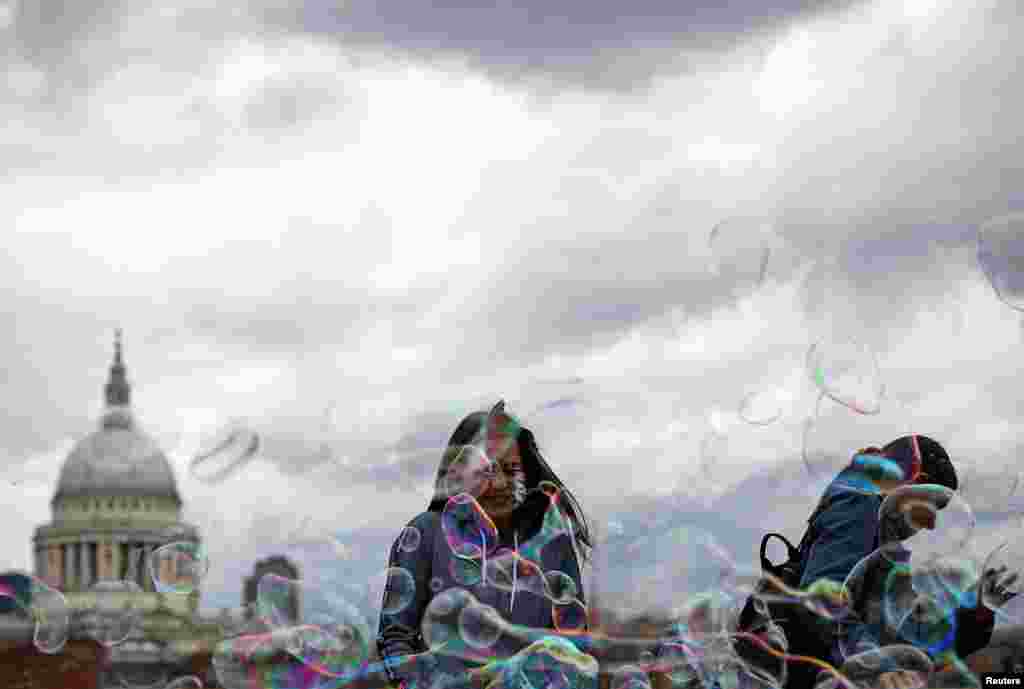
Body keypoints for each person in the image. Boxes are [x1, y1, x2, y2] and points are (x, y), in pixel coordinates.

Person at [377, 401, 594, 689]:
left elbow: (572, 647)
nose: (501, 483)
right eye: (488, 470)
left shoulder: (553, 543)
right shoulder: (426, 532)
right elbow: (395, 639)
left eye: (512, 468)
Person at [797, 435, 1010, 689]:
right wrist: (881, 668)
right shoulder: (862, 507)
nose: (930, 525)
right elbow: (822, 602)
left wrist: (977, 616)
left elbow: (911, 647)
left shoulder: (884, 551)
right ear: (912, 487)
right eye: (933, 506)